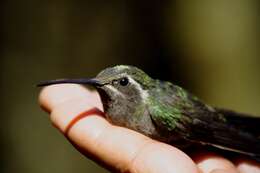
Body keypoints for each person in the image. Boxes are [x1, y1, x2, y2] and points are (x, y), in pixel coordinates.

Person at [38, 84, 260, 173]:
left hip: (203, 127)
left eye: (121, 82)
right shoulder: (114, 109)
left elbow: (207, 129)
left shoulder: (157, 110)